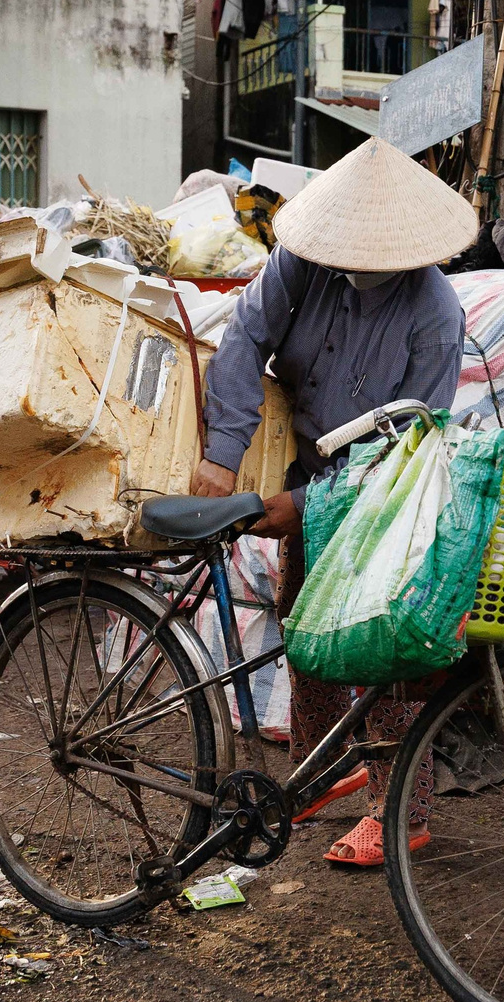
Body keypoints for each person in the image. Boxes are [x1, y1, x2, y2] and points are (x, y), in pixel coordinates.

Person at [192, 138, 479, 867]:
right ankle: (320, 771)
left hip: (379, 490)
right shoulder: (300, 264)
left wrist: (302, 504)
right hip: (302, 457)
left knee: (379, 651)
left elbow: (409, 449)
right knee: (303, 626)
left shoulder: (434, 313)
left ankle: (399, 811)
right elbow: (245, 334)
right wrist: (220, 458)